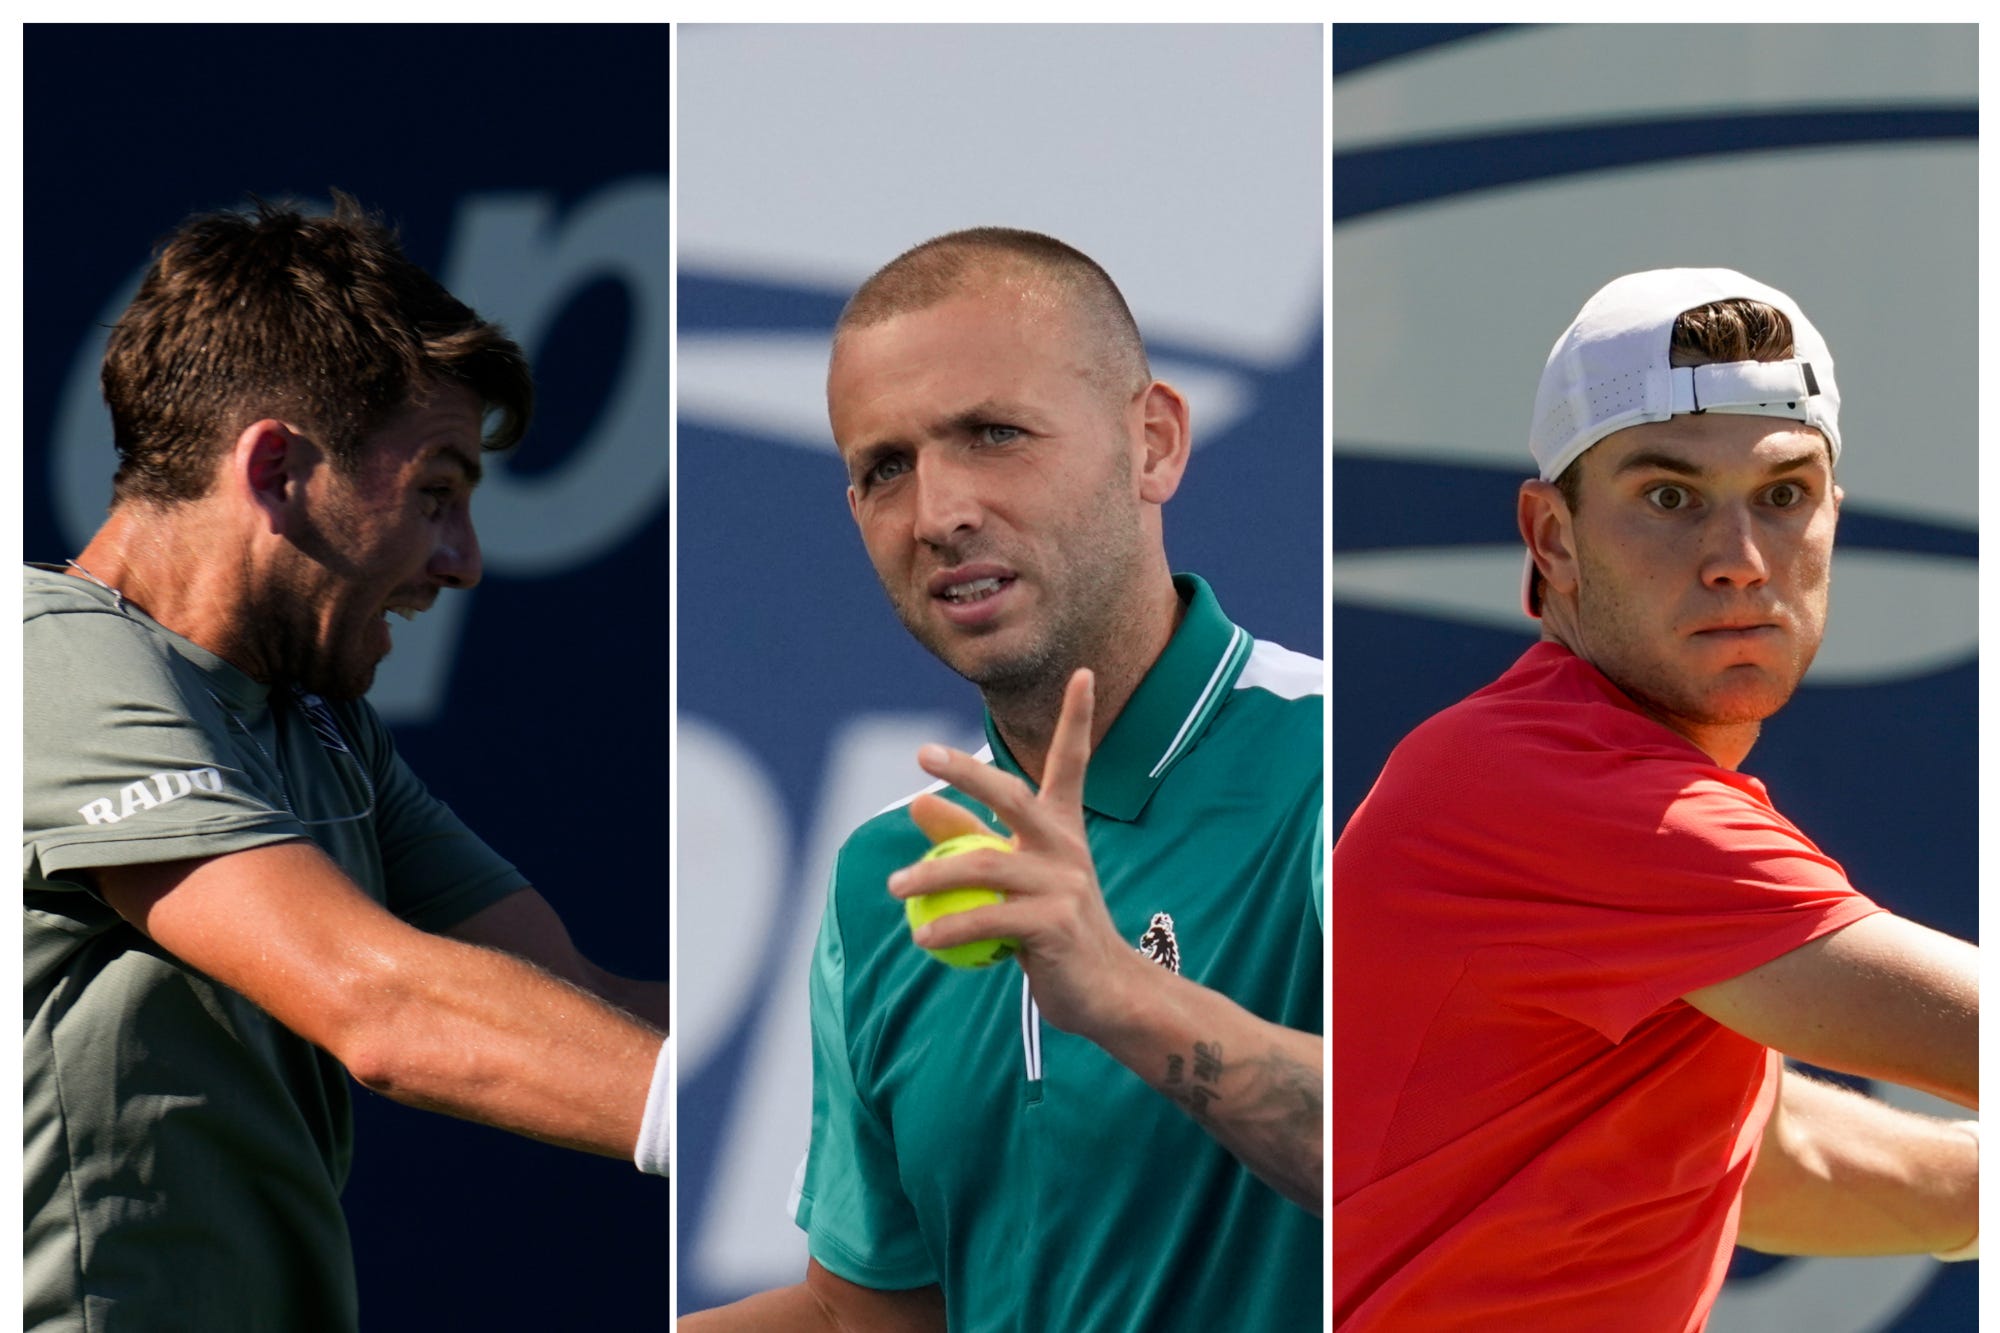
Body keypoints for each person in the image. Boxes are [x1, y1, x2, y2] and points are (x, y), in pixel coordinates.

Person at [22, 194, 673, 1333]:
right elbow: (380, 1003)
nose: (463, 561)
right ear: (275, 470)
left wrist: (899, 1060)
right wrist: (771, 1131)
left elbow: (586, 1001)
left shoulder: (320, 725)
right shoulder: (40, 660)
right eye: (435, 491)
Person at [680, 229, 1325, 1331]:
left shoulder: (1335, 762)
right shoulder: (882, 872)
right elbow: (866, 1316)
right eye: (885, 468)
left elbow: (1436, 1161)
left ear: (1153, 443)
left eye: (993, 434)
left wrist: (1123, 995)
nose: (938, 514)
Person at [1331, 268, 1979, 1331]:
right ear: (1550, 538)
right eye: (1668, 497)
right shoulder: (1547, 791)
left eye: (1782, 495)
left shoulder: (1545, 779)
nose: (1736, 560)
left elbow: (1771, 1160)